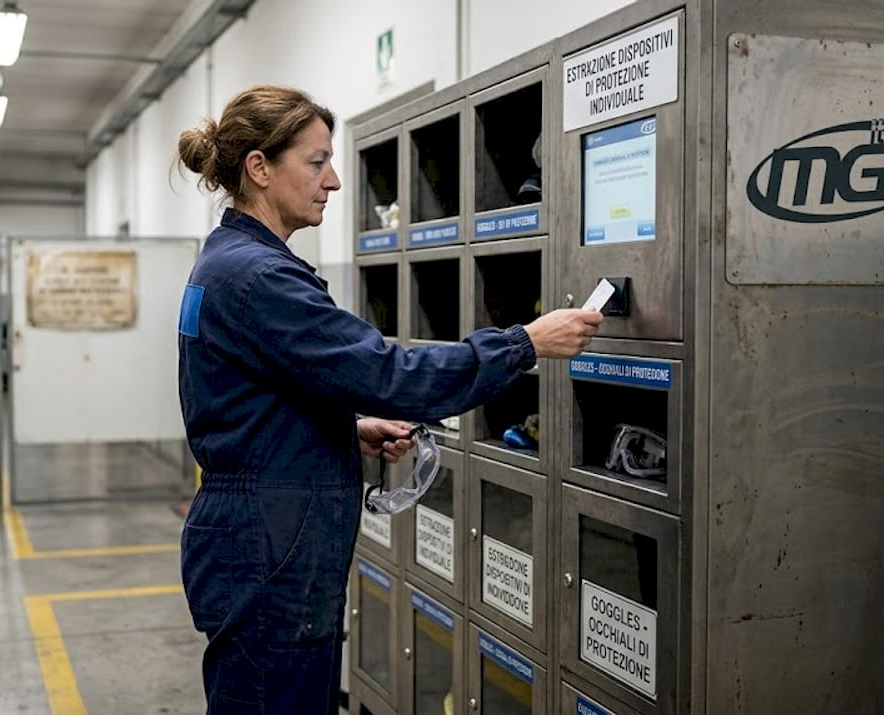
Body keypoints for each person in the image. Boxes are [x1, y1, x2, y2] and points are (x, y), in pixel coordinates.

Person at [175, 85, 603, 714]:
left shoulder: (228, 262)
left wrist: (343, 430)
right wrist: (525, 344)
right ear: (259, 169)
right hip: (271, 549)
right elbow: (390, 373)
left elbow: (246, 397)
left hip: (263, 534)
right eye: (317, 162)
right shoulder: (261, 277)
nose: (336, 180)